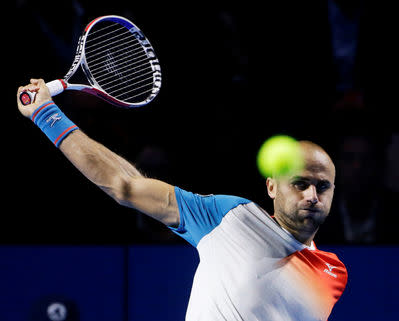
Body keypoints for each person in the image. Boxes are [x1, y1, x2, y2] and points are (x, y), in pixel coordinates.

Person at [17, 79, 347, 321]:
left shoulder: (334, 274)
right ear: (272, 188)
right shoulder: (230, 217)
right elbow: (125, 185)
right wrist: (46, 113)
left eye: (323, 186)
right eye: (300, 184)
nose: (312, 196)